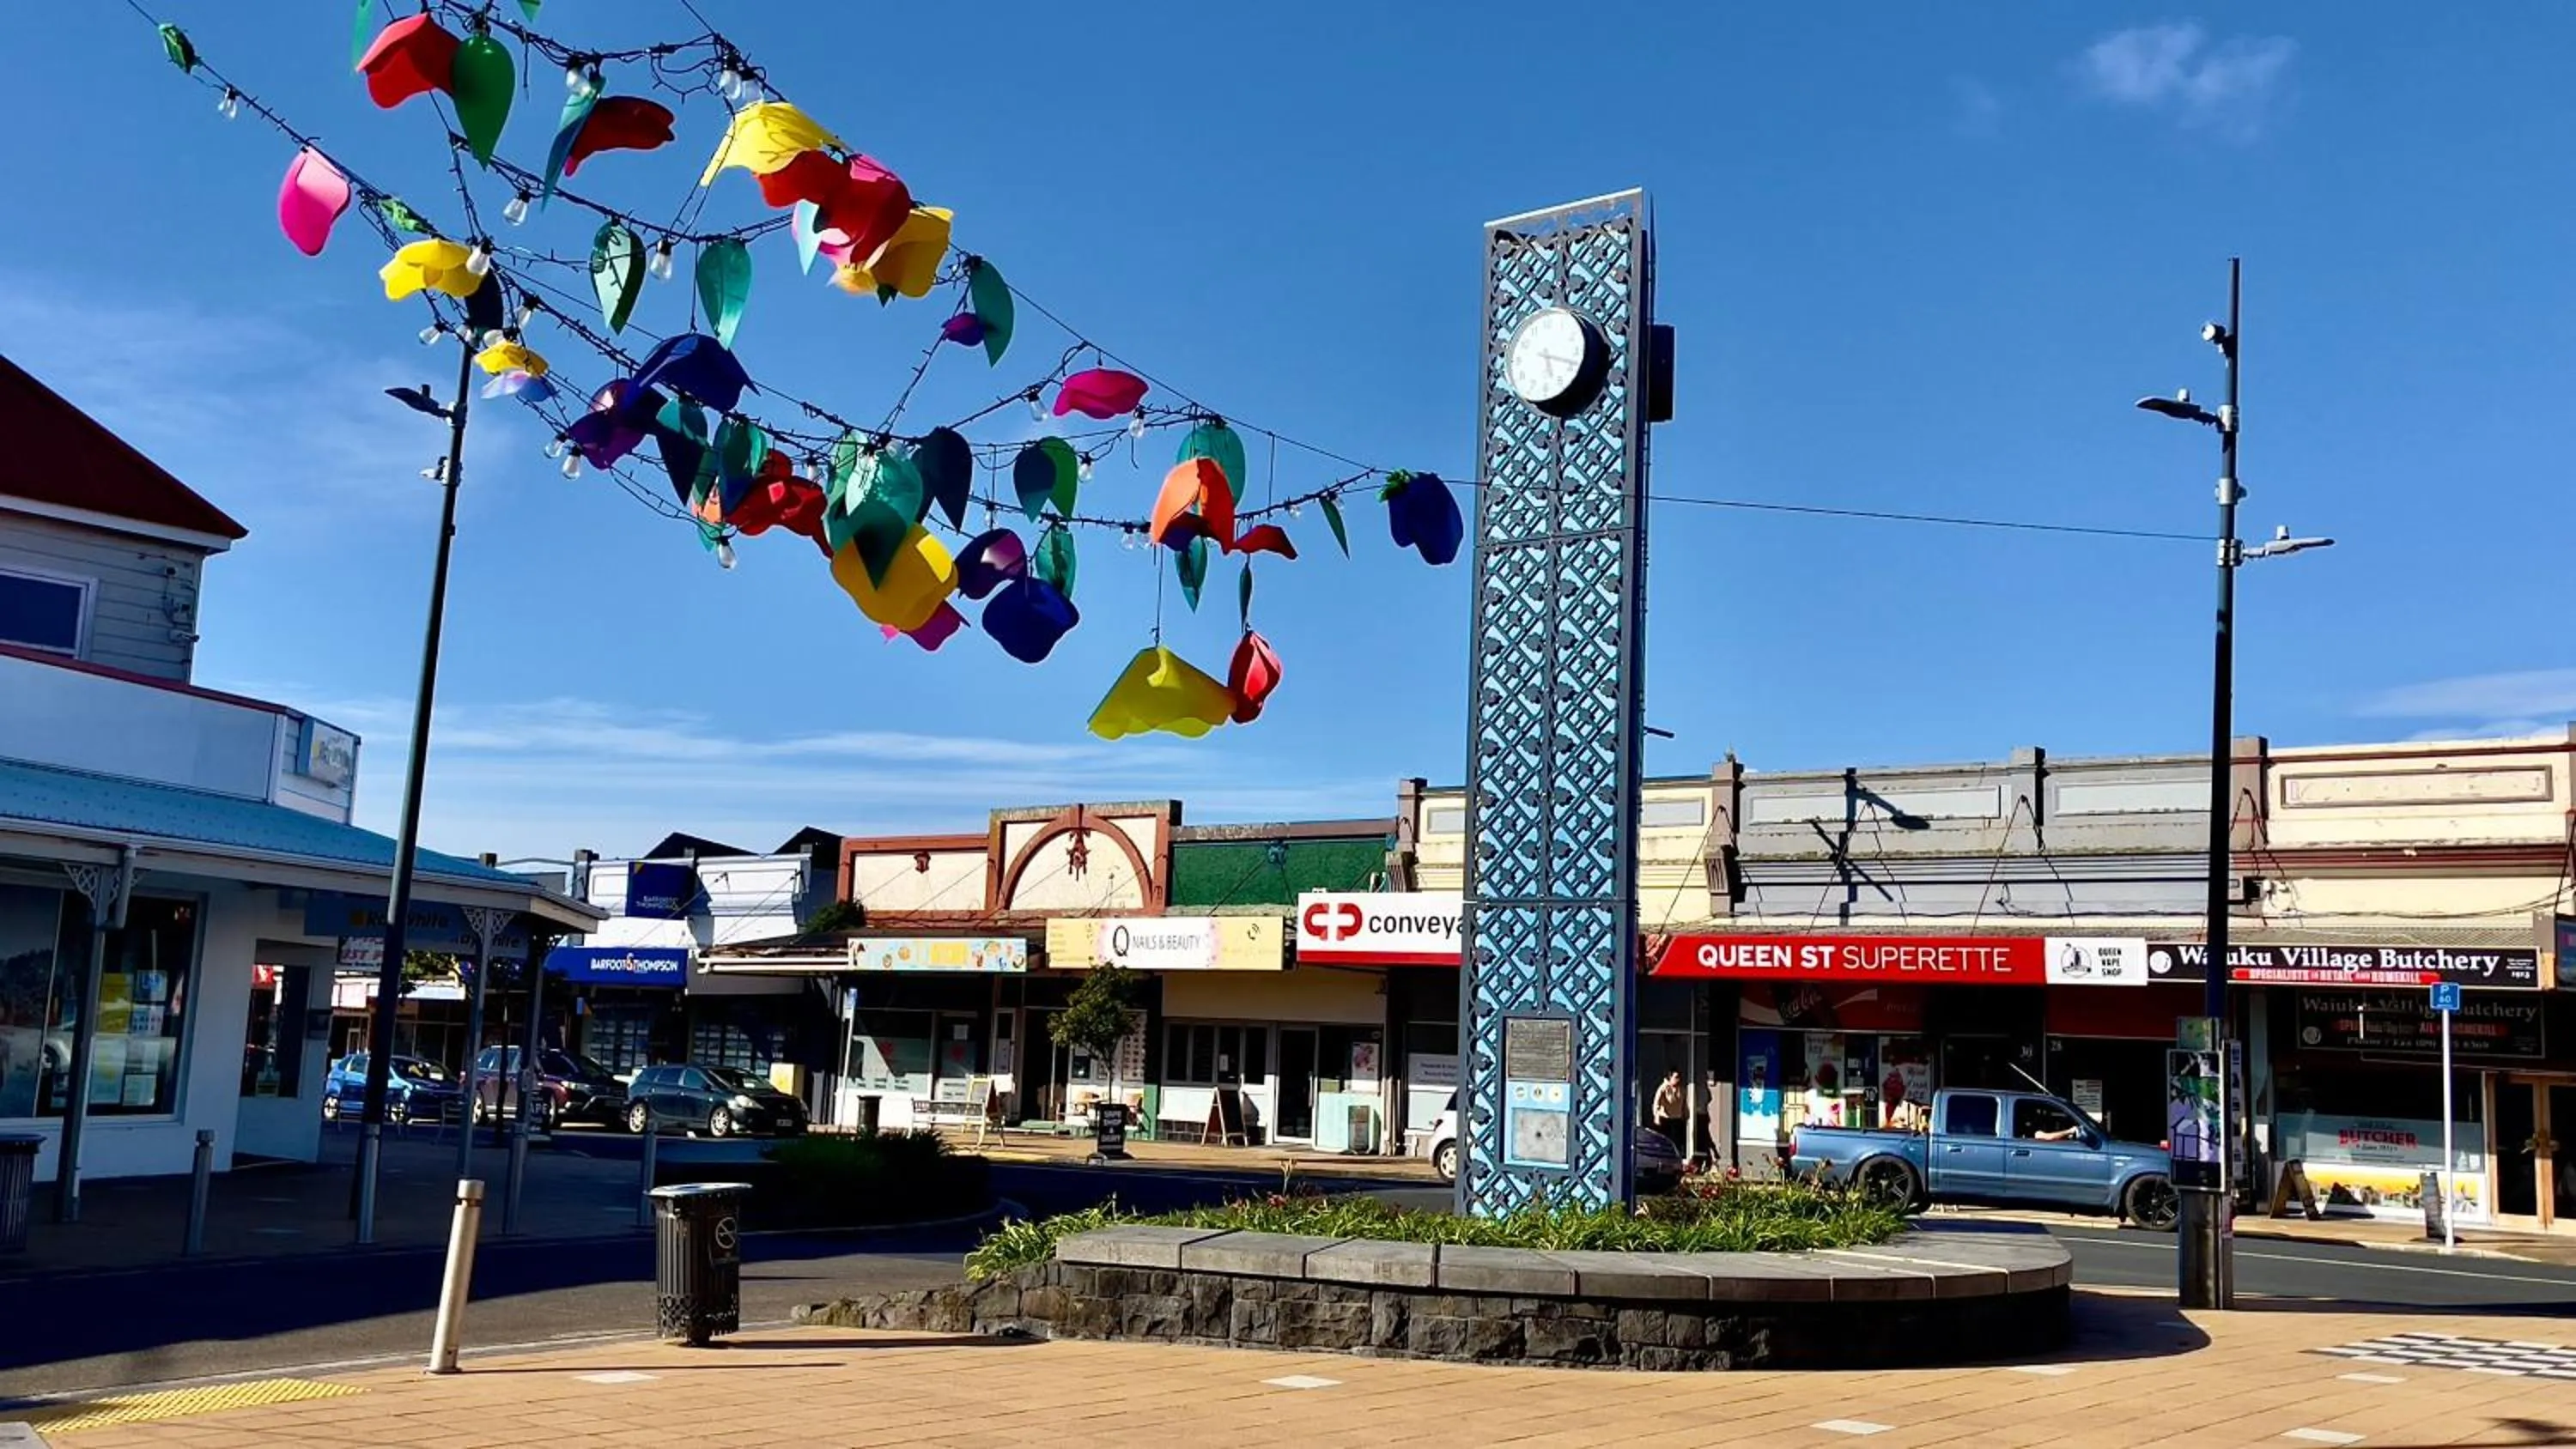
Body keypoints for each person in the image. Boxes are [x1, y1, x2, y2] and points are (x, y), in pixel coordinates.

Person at [1650, 1070, 1687, 1149]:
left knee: (1676, 1140)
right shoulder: (1664, 1088)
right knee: (1665, 1139)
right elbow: (1656, 1102)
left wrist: (1685, 1113)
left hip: (1677, 1118)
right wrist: (1656, 1115)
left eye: (1679, 1077)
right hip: (1666, 1118)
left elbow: (1684, 1103)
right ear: (1670, 1078)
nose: (1678, 1080)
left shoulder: (1682, 1089)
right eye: (1676, 1077)